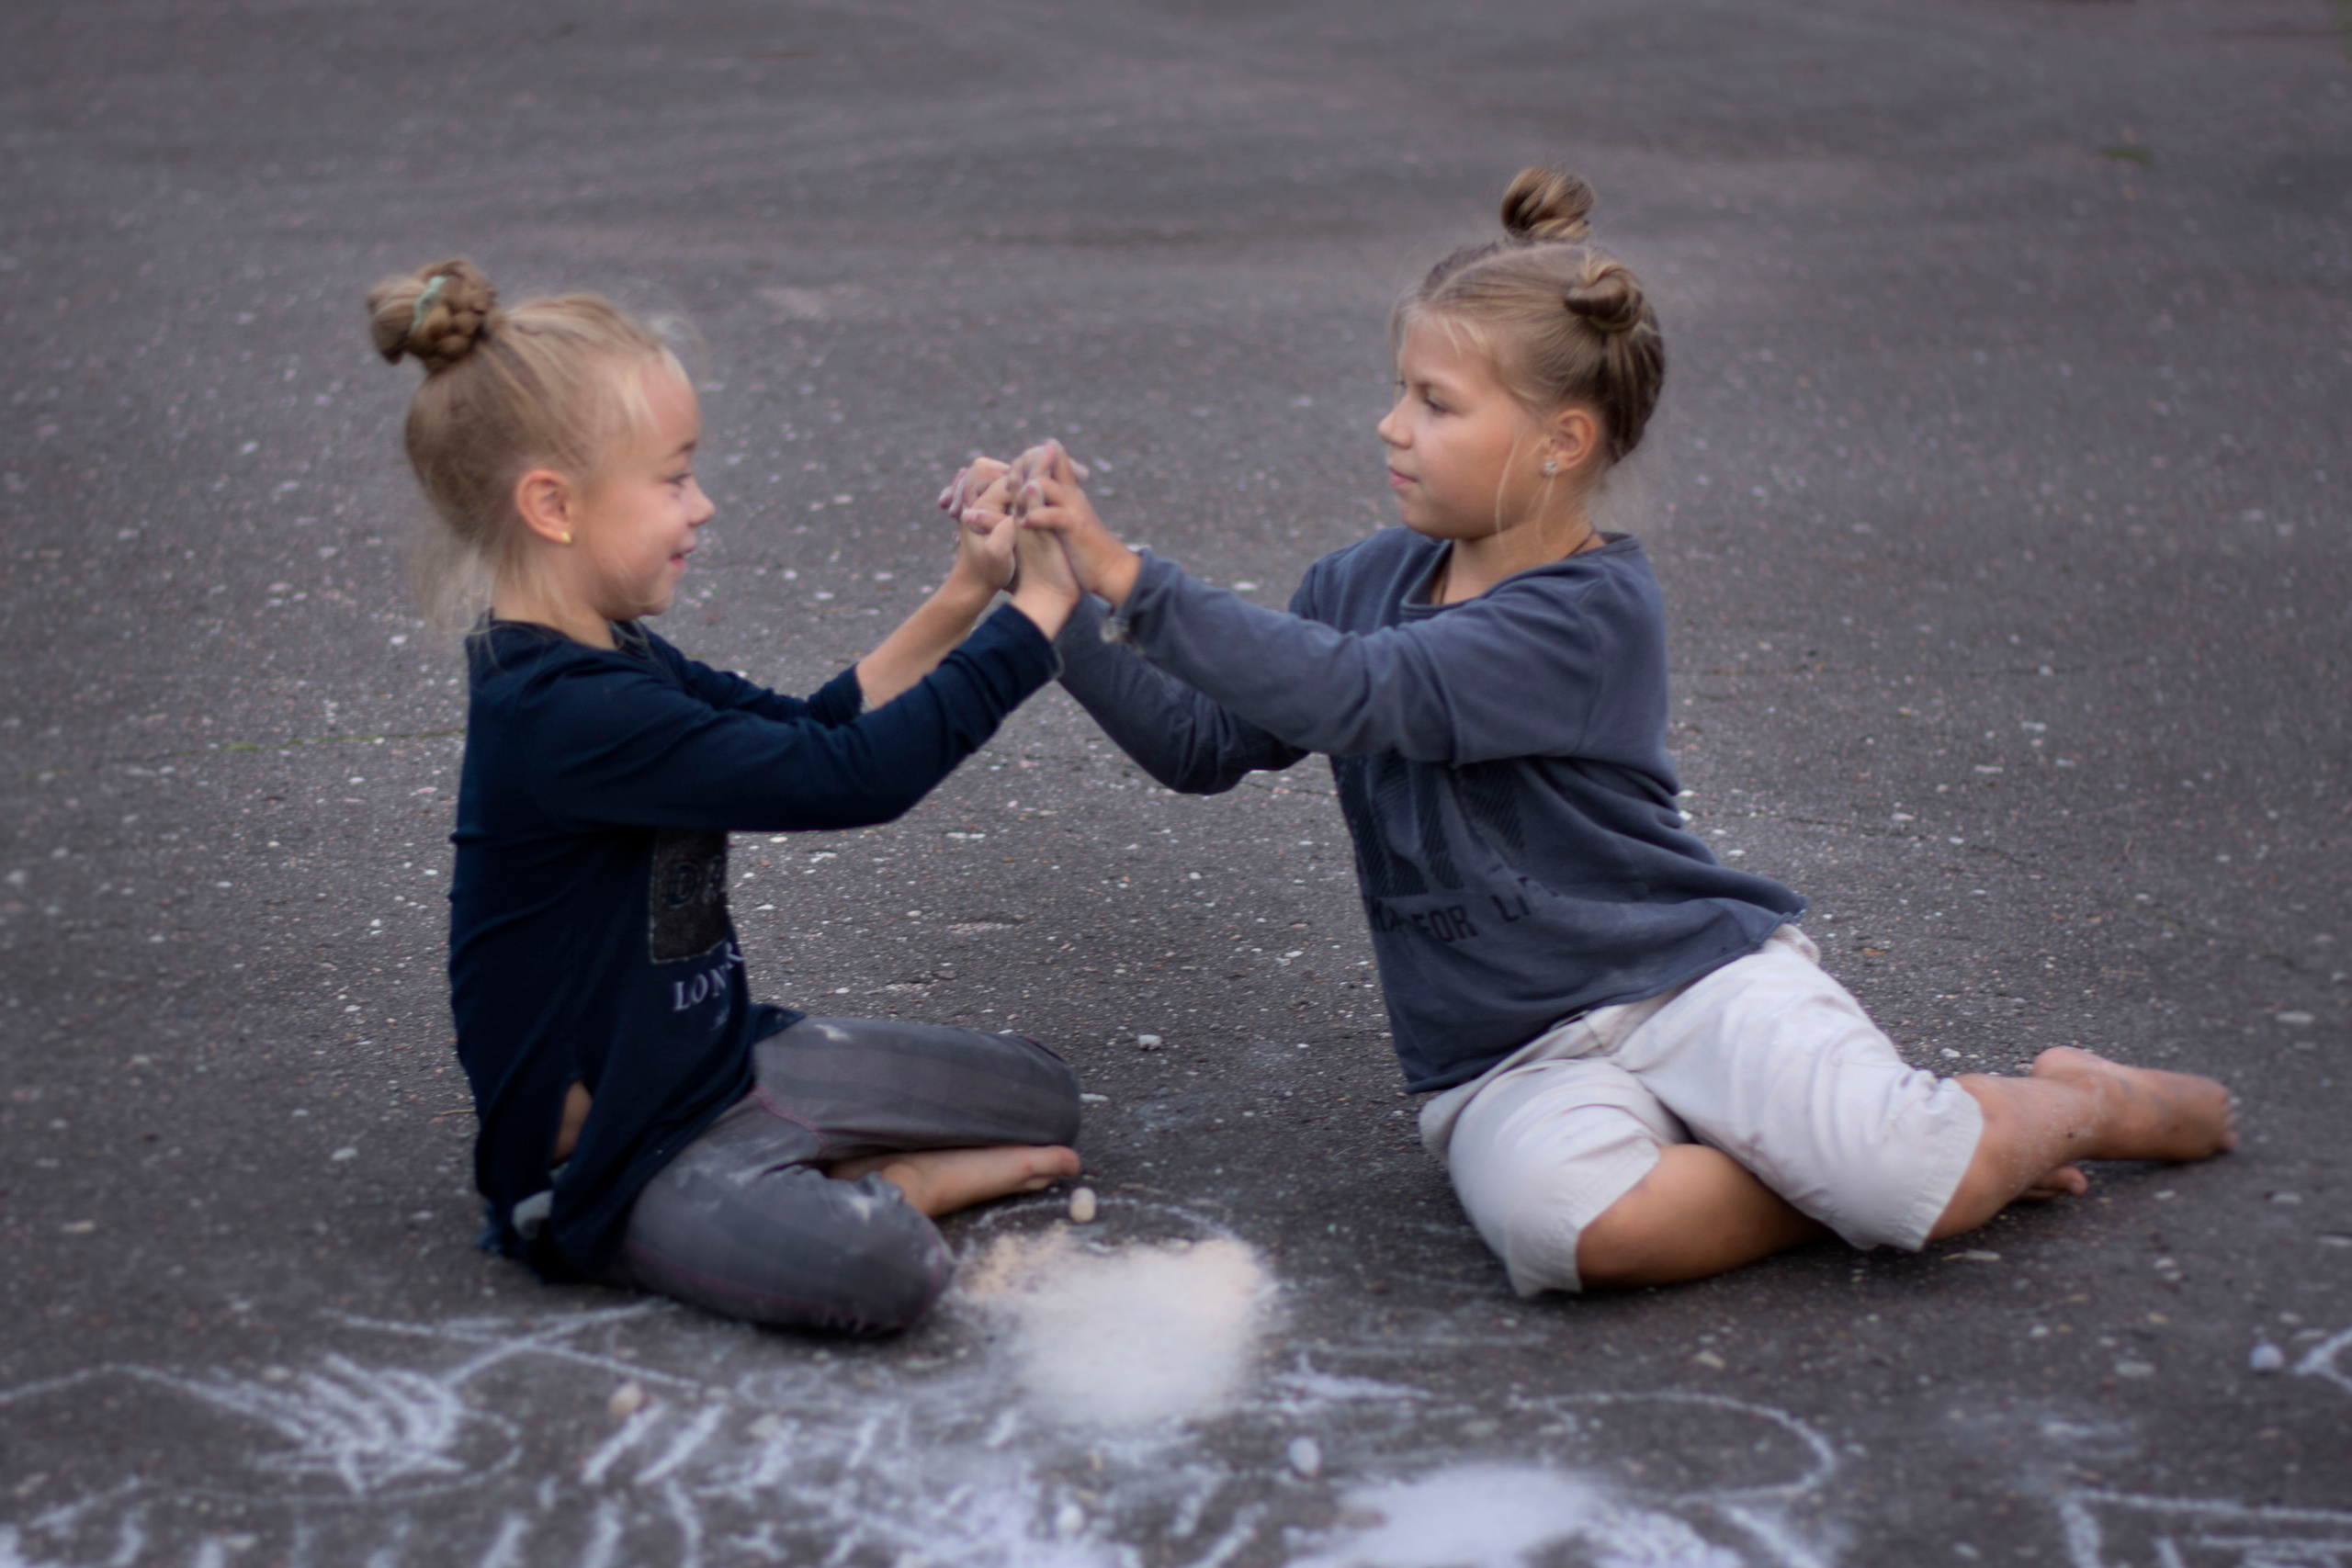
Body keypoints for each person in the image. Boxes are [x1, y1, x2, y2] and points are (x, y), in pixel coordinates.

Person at [966, 169, 2235, 1296]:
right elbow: (1200, 742)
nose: (1391, 425)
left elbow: (1368, 693)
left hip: (1688, 975)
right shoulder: (1357, 580)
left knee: (1914, 1178)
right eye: (1397, 391)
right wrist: (1052, 600)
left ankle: (2065, 1100)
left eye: (1434, 401)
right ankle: (1858, 1165)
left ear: (1561, 442)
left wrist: (1130, 571)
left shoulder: (1592, 610)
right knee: (1570, 1235)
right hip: (1500, 1052)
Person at [368, 258, 1084, 1332]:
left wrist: (968, 592)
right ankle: (881, 1190)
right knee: (883, 1268)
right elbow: (856, 779)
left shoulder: (612, 654)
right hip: (619, 1156)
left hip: (714, 1064)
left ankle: (803, 1163)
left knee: (1042, 1093)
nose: (701, 505)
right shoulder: (563, 716)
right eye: (673, 478)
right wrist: (1034, 626)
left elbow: (814, 729)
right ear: (552, 505)